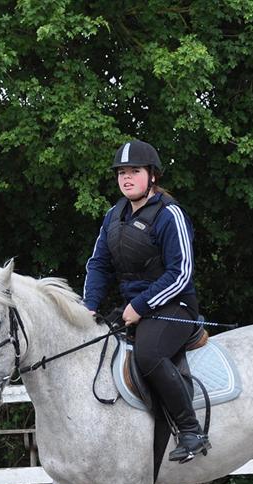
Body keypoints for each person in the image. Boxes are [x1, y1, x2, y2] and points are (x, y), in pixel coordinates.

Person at [82, 139, 210, 462]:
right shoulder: (113, 216)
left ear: (151, 175)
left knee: (148, 354)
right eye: (121, 173)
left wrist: (140, 306)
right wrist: (89, 307)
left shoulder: (170, 215)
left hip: (174, 306)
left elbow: (181, 272)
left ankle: (191, 430)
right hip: (133, 308)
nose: (126, 178)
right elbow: (98, 264)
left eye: (134, 172)